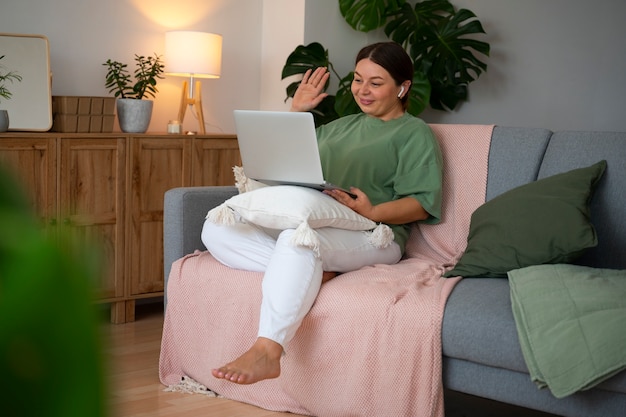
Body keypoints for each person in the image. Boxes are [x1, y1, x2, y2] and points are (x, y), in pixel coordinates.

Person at [201, 41, 443, 384]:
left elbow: (420, 203)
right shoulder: (340, 126)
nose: (363, 90)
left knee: (297, 243)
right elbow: (282, 165)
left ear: (403, 87)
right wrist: (297, 111)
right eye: (358, 80)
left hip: (374, 235)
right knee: (216, 229)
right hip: (316, 223)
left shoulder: (413, 133)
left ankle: (268, 350)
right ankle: (314, 270)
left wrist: (373, 209)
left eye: (376, 83)